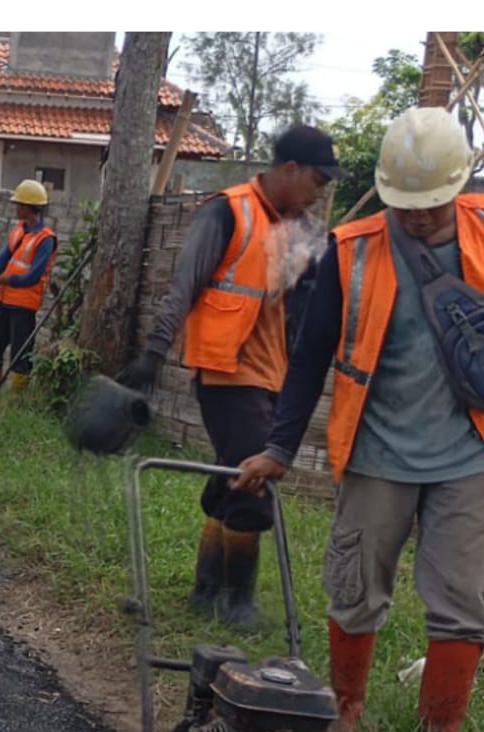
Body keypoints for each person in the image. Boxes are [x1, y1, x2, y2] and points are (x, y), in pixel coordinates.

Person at [233, 108, 484, 732]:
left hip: (473, 452)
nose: (416, 218)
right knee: (356, 588)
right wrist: (280, 447)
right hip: (378, 452)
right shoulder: (350, 250)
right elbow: (310, 356)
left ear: (459, 189)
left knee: (465, 599)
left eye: (431, 208)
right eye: (405, 206)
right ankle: (346, 709)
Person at [116, 126, 345, 628]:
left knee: (233, 474)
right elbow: (185, 284)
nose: (321, 191)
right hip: (226, 373)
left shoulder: (304, 230)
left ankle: (206, 592)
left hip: (272, 374)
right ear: (289, 170)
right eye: (317, 180)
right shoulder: (228, 211)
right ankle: (236, 601)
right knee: (254, 481)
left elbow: (309, 311)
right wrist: (153, 355)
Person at [0, 179, 58, 394]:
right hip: (4, 301)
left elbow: (32, 278)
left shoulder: (46, 240)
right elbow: (1, 261)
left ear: (29, 208)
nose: (16, 208)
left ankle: (15, 405)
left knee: (20, 356)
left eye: (19, 205)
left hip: (24, 306)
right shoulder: (19, 231)